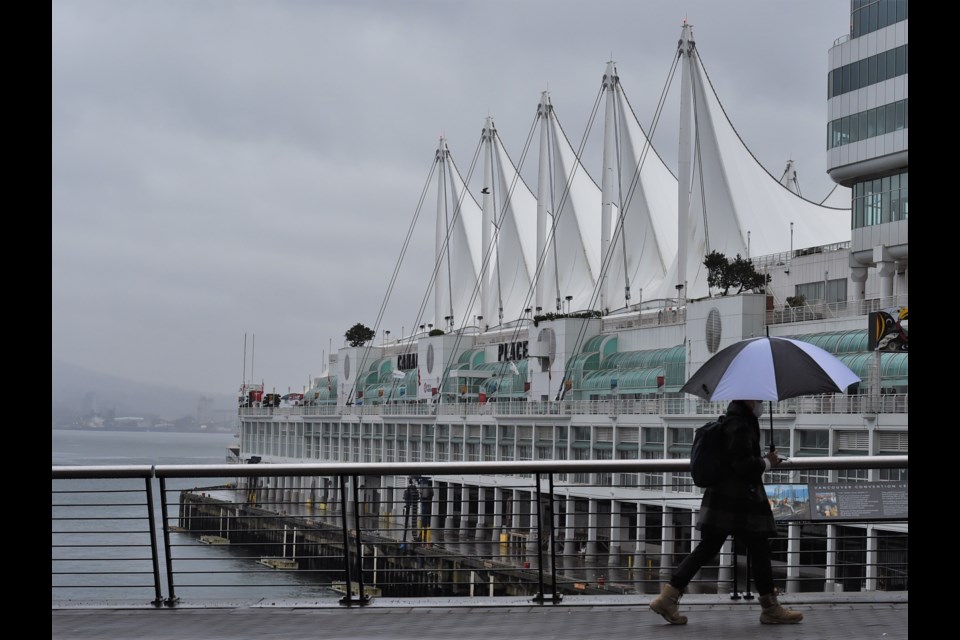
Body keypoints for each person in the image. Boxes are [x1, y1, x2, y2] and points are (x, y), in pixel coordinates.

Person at [649, 399, 803, 625]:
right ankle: (770, 608)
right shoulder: (740, 425)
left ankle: (667, 597)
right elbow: (742, 465)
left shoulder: (731, 421)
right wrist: (767, 462)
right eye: (759, 399)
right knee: (758, 548)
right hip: (740, 501)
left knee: (708, 547)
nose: (761, 403)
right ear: (748, 399)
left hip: (723, 500)